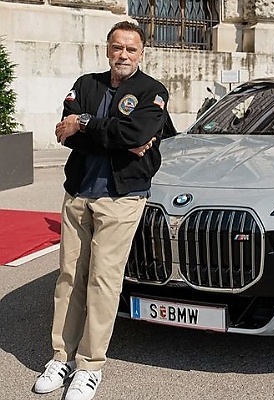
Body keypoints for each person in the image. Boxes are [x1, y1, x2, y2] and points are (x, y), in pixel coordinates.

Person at [33, 21, 169, 400]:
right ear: (107, 49)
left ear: (142, 53)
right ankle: (61, 356)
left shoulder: (152, 91)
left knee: (103, 282)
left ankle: (89, 366)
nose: (122, 55)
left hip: (121, 199)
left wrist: (88, 123)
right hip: (78, 193)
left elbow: (136, 136)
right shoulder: (86, 84)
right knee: (69, 277)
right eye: (116, 47)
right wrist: (114, 136)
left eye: (131, 49)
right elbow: (66, 134)